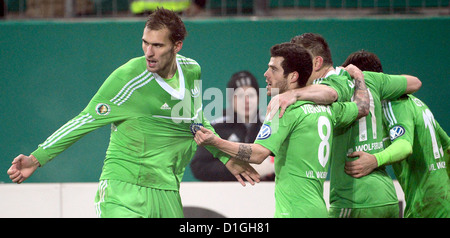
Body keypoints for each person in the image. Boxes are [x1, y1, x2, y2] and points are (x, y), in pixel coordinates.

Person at [6, 8, 259, 218]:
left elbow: (196, 121)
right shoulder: (127, 78)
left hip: (167, 191)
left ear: (177, 46)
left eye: (158, 45)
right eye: (145, 43)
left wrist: (226, 157)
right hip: (123, 189)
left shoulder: (192, 70)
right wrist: (36, 158)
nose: (148, 52)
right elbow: (84, 120)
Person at [194, 42, 370, 218]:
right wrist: (359, 78)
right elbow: (362, 107)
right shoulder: (329, 109)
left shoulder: (284, 109)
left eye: (273, 69)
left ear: (293, 76)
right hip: (318, 209)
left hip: (292, 212)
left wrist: (216, 142)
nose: (266, 74)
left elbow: (257, 154)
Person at [267, 33, 422, 218]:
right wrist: (362, 78)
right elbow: (415, 82)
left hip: (354, 197)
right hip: (386, 195)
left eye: (302, 62)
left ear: (316, 63)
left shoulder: (332, 82)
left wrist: (295, 94)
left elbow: (330, 93)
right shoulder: (369, 79)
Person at [342, 50, 450, 218]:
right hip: (440, 202)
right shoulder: (417, 103)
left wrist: (374, 160)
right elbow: (447, 147)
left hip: (426, 206)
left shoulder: (393, 103)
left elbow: (404, 146)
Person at [191, 70, 275, 181]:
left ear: (258, 98)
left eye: (251, 95)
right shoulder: (216, 128)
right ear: (231, 99)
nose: (246, 101)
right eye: (240, 95)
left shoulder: (270, 127)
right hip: (227, 195)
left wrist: (272, 169)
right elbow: (199, 167)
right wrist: (242, 168)